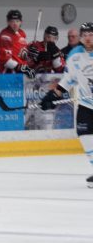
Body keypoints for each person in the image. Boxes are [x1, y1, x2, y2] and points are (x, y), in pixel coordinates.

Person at [39, 22, 93, 189]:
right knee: (84, 135)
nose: (88, 38)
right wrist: (53, 95)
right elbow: (68, 80)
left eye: (91, 34)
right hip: (86, 104)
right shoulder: (74, 55)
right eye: (85, 35)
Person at [0, 9, 35, 77]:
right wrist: (23, 68)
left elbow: (21, 54)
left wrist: (30, 50)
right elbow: (6, 60)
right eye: (12, 21)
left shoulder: (21, 33)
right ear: (8, 22)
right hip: (9, 74)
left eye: (17, 21)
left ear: (21, 22)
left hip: (20, 74)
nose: (15, 24)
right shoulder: (5, 36)